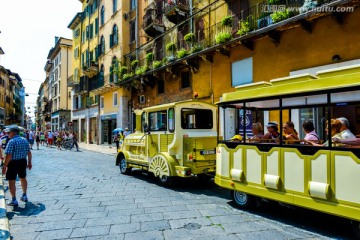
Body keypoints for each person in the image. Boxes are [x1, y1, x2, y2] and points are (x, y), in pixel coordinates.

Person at [2, 126, 32, 207]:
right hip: (23, 161)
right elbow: (29, 152)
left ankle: (14, 200)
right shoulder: (24, 140)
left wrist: (4, 166)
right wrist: (29, 162)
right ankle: (24, 195)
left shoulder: (11, 141)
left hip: (13, 163)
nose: (8, 133)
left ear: (13, 132)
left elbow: (9, 155)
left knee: (11, 181)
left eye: (9, 132)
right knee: (23, 178)